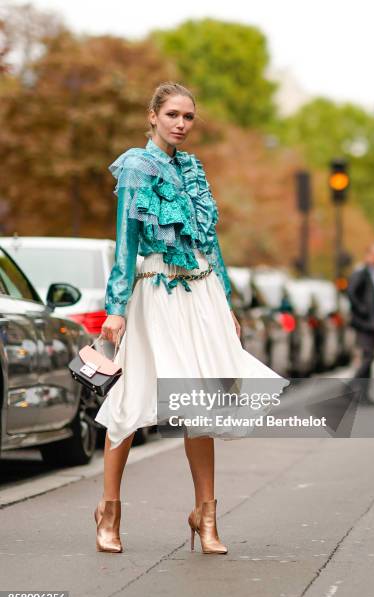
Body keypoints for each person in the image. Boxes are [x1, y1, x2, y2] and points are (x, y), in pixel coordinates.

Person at [93, 82, 288, 555]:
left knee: (200, 399)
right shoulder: (136, 167)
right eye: (173, 114)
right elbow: (126, 241)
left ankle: (206, 516)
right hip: (155, 293)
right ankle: (109, 509)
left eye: (189, 117)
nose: (182, 123)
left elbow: (210, 243)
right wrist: (116, 309)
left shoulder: (193, 168)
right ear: (153, 116)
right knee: (135, 397)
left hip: (200, 294)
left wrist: (225, 301)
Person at [347, 242, 374, 405]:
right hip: (364, 323)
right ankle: (348, 390)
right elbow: (352, 293)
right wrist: (364, 312)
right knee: (367, 358)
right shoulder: (362, 272)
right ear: (368, 255)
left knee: (370, 359)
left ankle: (363, 396)